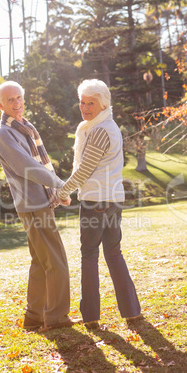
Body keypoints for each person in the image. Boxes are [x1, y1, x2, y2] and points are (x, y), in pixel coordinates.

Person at [0, 80, 80, 331]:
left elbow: (38, 162)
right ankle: (56, 317)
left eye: (19, 97)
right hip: (33, 206)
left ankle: (33, 316)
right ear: (0, 105)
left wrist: (55, 190)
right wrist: (60, 185)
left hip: (38, 202)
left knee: (41, 261)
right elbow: (27, 167)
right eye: (10, 100)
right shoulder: (4, 134)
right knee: (57, 261)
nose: (17, 103)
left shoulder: (24, 128)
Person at [58, 79, 142, 329]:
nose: (84, 107)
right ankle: (131, 311)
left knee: (90, 254)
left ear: (103, 104)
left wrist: (62, 192)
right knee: (114, 253)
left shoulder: (99, 130)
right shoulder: (109, 126)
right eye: (82, 102)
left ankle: (91, 316)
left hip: (96, 200)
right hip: (113, 200)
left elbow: (84, 170)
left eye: (91, 102)